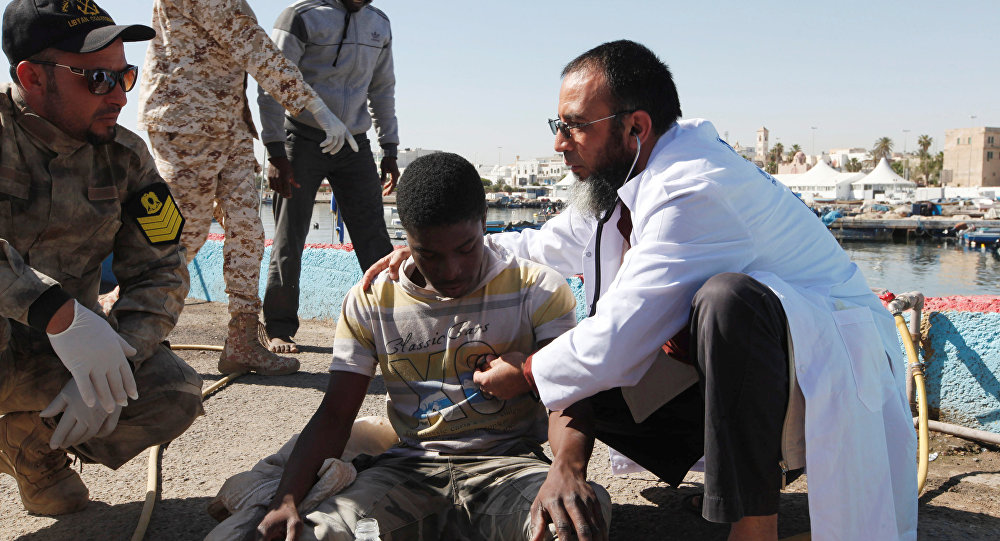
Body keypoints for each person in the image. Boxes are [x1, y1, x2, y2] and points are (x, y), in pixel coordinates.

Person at [364, 41, 918, 540]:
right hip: (752, 383)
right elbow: (540, 245)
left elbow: (620, 337)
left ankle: (755, 527)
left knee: (727, 302)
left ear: (635, 127)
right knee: (579, 363)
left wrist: (527, 372)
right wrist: (437, 250)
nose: (559, 142)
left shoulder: (694, 190)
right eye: (556, 124)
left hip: (820, 383)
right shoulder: (626, 180)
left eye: (576, 125)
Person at [251, 152, 610, 541]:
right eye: (430, 254)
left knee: (571, 525)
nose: (452, 271)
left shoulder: (537, 288)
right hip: (406, 473)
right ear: (405, 236)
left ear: (484, 220)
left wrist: (567, 471)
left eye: (466, 249)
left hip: (511, 467)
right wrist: (285, 499)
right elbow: (336, 413)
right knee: (315, 534)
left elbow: (566, 395)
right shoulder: (371, 300)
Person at [0, 0, 202, 515]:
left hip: (57, 360)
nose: (117, 96)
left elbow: (163, 266)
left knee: (172, 390)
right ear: (33, 77)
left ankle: (33, 444)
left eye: (124, 76)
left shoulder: (126, 158)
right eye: (96, 79)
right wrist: (59, 314)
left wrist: (118, 357)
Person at [137, 0, 351, 376]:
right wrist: (316, 107)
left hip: (230, 125)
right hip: (186, 121)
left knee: (249, 232)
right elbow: (251, 44)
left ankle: (243, 341)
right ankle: (131, 327)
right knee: (182, 236)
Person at [258, 0, 398, 355]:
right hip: (301, 138)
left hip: (354, 143)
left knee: (374, 238)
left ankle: (394, 324)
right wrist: (275, 150)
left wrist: (390, 148)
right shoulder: (301, 16)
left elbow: (382, 89)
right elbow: (271, 80)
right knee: (289, 238)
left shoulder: (378, 23)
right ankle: (279, 327)